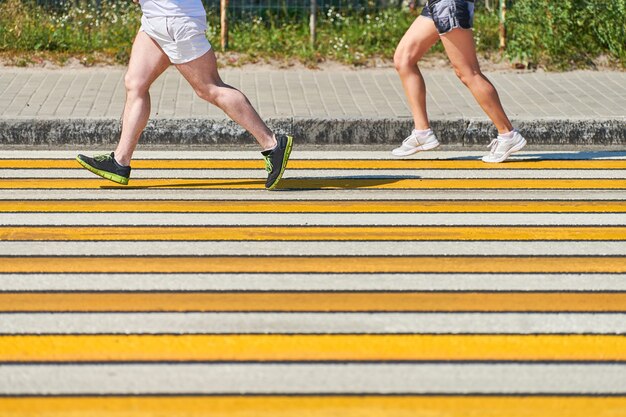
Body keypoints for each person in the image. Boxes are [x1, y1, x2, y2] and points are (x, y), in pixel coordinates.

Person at [76, 0, 292, 189]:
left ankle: (272, 144)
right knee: (135, 83)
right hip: (156, 19)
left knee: (210, 88)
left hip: (175, 21)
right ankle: (120, 162)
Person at [392, 0, 525, 162]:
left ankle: (507, 134)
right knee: (403, 60)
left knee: (468, 73)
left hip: (449, 4)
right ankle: (422, 133)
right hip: (436, 4)